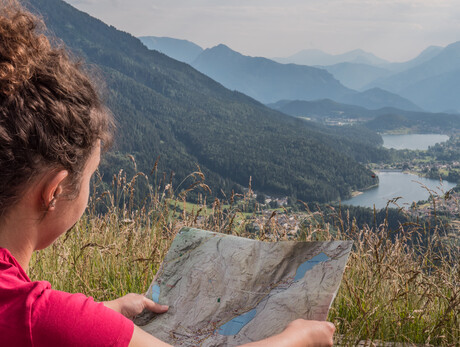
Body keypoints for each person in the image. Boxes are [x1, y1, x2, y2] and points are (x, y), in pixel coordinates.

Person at [0, 1, 335, 346]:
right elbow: (39, 320)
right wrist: (300, 339)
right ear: (54, 191)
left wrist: (97, 317)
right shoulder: (36, 315)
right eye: (90, 175)